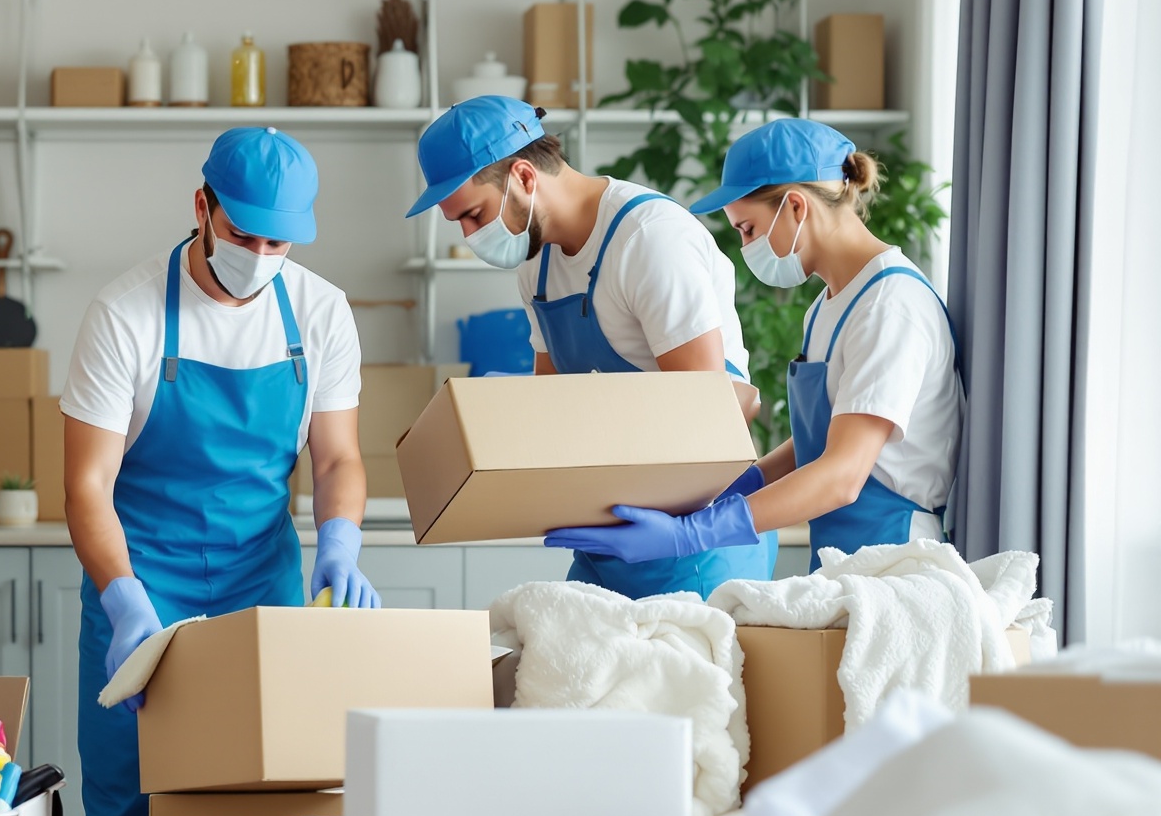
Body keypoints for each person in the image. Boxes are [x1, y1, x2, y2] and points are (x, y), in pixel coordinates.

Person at [63, 127, 377, 816]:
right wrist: (122, 598)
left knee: (269, 799)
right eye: (246, 235)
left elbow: (336, 460)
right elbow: (86, 484)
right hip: (140, 583)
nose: (261, 258)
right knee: (126, 796)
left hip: (261, 585)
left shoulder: (321, 313)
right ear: (202, 207)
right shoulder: (126, 314)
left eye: (281, 244)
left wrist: (339, 542)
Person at [548, 117, 961, 574]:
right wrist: (743, 482)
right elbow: (824, 438)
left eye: (748, 228)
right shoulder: (828, 306)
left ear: (796, 208)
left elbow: (843, 475)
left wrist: (693, 533)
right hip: (843, 562)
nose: (745, 246)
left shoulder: (889, 306)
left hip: (897, 564)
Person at [406, 95, 777, 598]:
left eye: (473, 215)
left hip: (694, 540)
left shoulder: (648, 240)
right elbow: (557, 414)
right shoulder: (535, 265)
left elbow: (706, 418)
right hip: (607, 537)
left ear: (523, 177)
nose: (471, 235)